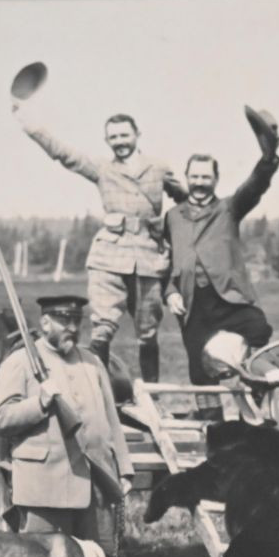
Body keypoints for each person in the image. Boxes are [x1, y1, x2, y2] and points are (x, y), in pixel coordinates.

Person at [0, 294, 135, 557]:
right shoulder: (19, 362)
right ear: (45, 322)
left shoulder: (91, 361)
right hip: (42, 483)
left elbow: (110, 418)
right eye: (62, 320)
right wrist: (40, 402)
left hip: (94, 482)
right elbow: (0, 418)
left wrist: (125, 468)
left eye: (76, 320)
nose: (72, 327)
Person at [13, 103, 185, 382]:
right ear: (107, 141)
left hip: (150, 259)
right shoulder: (103, 168)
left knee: (148, 333)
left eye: (124, 135)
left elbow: (186, 199)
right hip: (109, 258)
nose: (119, 142)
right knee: (102, 328)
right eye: (113, 137)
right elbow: (64, 154)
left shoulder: (159, 168)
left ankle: (153, 398)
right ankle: (100, 394)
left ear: (137, 134)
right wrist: (30, 126)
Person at [162, 109, 279, 388]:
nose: (200, 183)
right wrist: (169, 293)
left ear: (216, 179)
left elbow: (255, 186)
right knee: (200, 373)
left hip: (229, 298)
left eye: (206, 177)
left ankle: (253, 393)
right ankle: (212, 428)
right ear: (187, 178)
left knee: (259, 330)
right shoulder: (172, 217)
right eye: (195, 177)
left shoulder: (229, 208)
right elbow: (169, 263)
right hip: (193, 306)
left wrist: (268, 158)